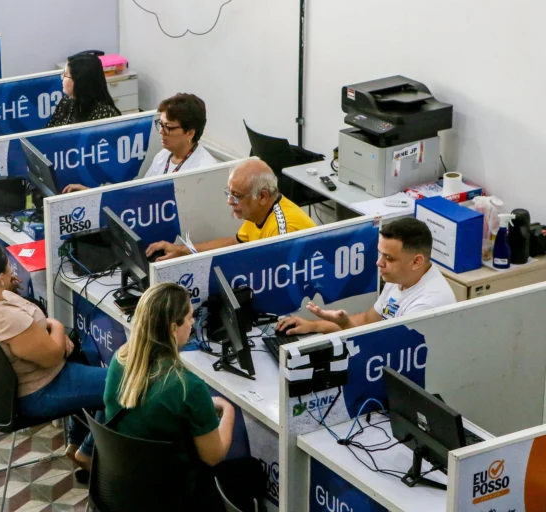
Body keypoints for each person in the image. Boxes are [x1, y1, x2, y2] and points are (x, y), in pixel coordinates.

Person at [103, 282, 264, 511]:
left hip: (126, 489)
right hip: (174, 497)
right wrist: (228, 410)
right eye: (189, 317)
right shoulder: (188, 387)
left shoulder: (120, 359)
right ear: (173, 327)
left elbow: (154, 404)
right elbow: (214, 456)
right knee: (251, 471)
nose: (192, 323)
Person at [0, 243, 106, 471]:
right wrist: (56, 326)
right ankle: (88, 451)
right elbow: (53, 356)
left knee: (85, 357)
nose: (12, 271)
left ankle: (75, 441)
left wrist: (7, 293)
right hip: (40, 390)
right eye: (8, 268)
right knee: (125, 383)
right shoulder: (7, 319)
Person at [276, 217, 457, 335]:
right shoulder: (401, 277)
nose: (379, 263)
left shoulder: (426, 306)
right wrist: (313, 326)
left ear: (417, 262)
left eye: (389, 258)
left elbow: (384, 351)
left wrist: (345, 325)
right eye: (380, 254)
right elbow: (368, 321)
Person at [145, 159, 316, 261]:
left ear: (263, 196)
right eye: (229, 193)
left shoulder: (282, 230)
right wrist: (181, 250)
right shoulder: (259, 212)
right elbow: (234, 243)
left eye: (237, 196)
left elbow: (277, 280)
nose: (229, 202)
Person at [62, 92, 217, 193]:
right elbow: (139, 194)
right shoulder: (163, 156)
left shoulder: (204, 169)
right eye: (160, 124)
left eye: (168, 127)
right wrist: (91, 192)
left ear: (190, 133)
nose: (161, 131)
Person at [46, 52, 121, 129]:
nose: (62, 77)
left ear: (80, 81)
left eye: (66, 75)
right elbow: (50, 131)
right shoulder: (66, 101)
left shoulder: (104, 113)